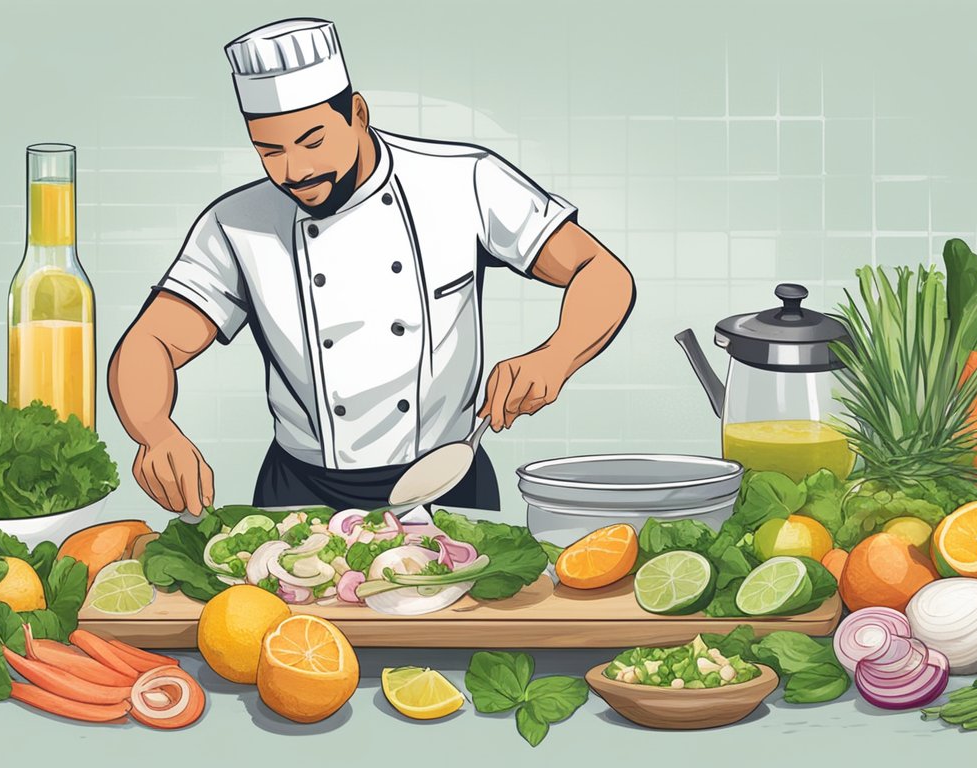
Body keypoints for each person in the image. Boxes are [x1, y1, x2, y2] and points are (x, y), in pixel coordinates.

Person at [108, 18, 635, 515]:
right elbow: (148, 343)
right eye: (269, 150)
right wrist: (154, 431)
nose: (296, 170)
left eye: (313, 141)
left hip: (447, 482)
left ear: (358, 113)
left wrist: (555, 357)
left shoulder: (463, 182)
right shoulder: (236, 223)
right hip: (299, 493)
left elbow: (602, 271)